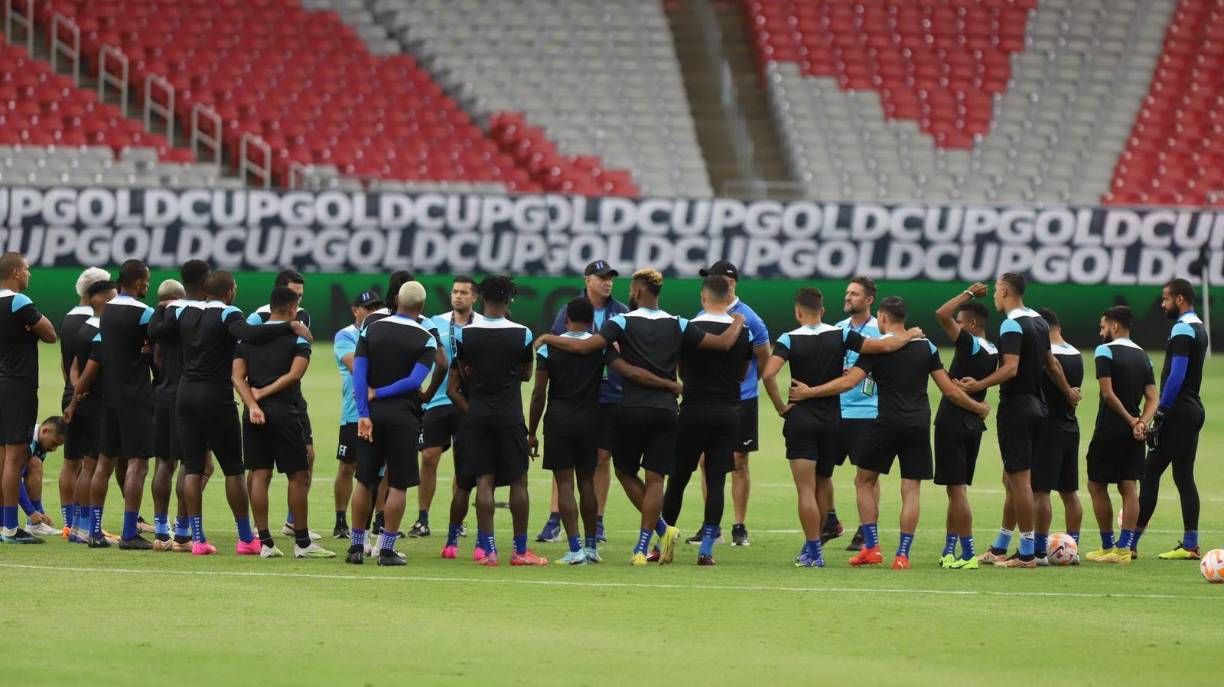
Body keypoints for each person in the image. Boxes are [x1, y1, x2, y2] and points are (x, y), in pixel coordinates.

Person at [536, 268, 746, 566]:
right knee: (656, 478)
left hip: (631, 409)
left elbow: (585, 347)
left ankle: (660, 530)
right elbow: (723, 344)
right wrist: (737, 320)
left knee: (623, 471)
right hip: (666, 411)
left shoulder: (620, 321)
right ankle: (642, 546)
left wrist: (548, 337)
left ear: (635, 293)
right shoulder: (678, 323)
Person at [795, 296, 989, 569]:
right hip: (918, 424)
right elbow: (949, 389)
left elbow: (849, 382)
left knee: (864, 481)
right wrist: (978, 407)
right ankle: (903, 555)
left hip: (885, 423)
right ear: (904, 318)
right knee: (910, 490)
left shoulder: (878, 348)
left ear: (883, 319)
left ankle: (872, 547)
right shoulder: (927, 346)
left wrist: (809, 393)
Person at [763, 288, 922, 567]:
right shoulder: (840, 334)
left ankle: (813, 551)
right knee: (826, 481)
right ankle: (830, 543)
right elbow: (883, 347)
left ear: (798, 312)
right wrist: (909, 334)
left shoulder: (788, 338)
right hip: (832, 420)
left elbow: (768, 374)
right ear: (822, 311)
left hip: (801, 418)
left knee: (807, 490)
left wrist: (780, 406)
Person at [156, 271, 308, 555]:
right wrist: (290, 327)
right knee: (233, 470)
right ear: (229, 292)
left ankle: (196, 539)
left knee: (192, 467)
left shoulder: (184, 312)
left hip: (185, 393)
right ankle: (245, 538)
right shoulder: (228, 313)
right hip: (216, 396)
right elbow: (249, 334)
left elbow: (155, 333)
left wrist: (160, 308)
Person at [956, 273, 1079, 568]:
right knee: (1011, 478)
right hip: (1039, 405)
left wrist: (977, 385)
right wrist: (1067, 392)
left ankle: (1026, 554)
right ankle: (1000, 546)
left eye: (997, 292)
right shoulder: (1038, 320)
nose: (995, 298)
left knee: (1021, 480)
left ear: (1005, 291)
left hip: (1017, 406)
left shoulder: (1012, 324)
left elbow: (1011, 369)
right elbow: (1051, 364)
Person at [447, 275, 548, 567]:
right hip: (510, 415)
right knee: (518, 480)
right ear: (508, 300)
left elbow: (463, 374)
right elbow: (527, 374)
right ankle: (519, 551)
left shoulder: (465, 334)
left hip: (477, 415)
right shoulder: (522, 333)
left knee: (484, 481)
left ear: (482, 298)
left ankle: (489, 551)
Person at [234, 286, 333, 559]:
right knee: (298, 475)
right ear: (292, 310)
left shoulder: (249, 337)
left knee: (259, 474)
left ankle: (265, 543)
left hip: (253, 414)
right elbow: (294, 375)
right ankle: (302, 542)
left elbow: (236, 376)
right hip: (284, 411)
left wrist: (253, 404)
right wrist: (265, 394)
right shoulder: (298, 336)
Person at [662, 276, 753, 564]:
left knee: (677, 479)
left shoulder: (689, 328)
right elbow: (742, 373)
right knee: (715, 482)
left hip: (693, 411)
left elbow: (682, 371)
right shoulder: (744, 331)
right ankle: (707, 551)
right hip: (727, 413)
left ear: (703, 298)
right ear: (728, 298)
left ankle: (664, 546)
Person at [536, 260, 627, 545]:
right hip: (579, 393)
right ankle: (555, 519)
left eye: (610, 278)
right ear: (587, 280)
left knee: (601, 459)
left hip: (610, 394)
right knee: (565, 462)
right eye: (602, 277)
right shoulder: (570, 309)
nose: (607, 282)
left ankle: (597, 521)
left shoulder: (621, 311)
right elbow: (561, 344)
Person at [67, 260, 156, 550]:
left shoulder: (108, 312)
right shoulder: (146, 313)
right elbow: (156, 348)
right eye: (147, 280)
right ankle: (130, 532)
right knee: (137, 465)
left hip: (110, 399)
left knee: (103, 464)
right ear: (140, 281)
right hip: (137, 398)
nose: (148, 285)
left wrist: (74, 400)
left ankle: (93, 531)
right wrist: (146, 350)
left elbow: (100, 357)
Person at [347, 281, 437, 566]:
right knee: (397, 484)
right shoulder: (427, 339)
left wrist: (364, 409)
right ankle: (386, 550)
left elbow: (359, 374)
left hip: (370, 415)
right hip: (403, 417)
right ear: (421, 307)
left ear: (396, 300)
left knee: (364, 480)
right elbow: (413, 381)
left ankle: (356, 547)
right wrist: (383, 392)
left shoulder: (371, 328)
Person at [685, 261, 770, 548]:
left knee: (739, 462)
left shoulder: (751, 319)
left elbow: (763, 360)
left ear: (730, 282)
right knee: (706, 462)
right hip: (712, 398)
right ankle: (712, 526)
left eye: (714, 278)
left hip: (741, 400)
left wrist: (747, 386)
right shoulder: (701, 315)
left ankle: (739, 524)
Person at [1137, 278, 1208, 560]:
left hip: (1178, 412)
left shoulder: (1182, 329)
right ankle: (1191, 544)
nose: (1163, 304)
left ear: (1180, 300)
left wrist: (1161, 413)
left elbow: (1177, 374)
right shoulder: (1198, 327)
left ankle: (1129, 542)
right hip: (1192, 410)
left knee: (1150, 471)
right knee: (1183, 476)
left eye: (1166, 299)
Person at [1083, 306, 1157, 565]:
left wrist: (1128, 421)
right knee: (1129, 488)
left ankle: (1106, 546)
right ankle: (1124, 548)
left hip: (1110, 428)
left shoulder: (1105, 351)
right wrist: (1141, 422)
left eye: (1103, 327)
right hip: (1135, 430)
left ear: (1115, 327)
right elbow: (1152, 397)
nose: (1101, 332)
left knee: (1096, 484)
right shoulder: (1144, 356)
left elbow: (1107, 394)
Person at [931, 285, 998, 569]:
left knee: (957, 491)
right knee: (954, 489)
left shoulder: (969, 342)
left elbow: (941, 313)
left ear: (971, 324)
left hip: (953, 420)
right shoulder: (993, 349)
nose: (955, 327)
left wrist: (968, 293)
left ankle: (968, 553)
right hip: (973, 425)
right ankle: (949, 550)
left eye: (960, 323)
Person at [248, 269, 317, 539]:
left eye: (301, 295)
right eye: (294, 295)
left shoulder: (303, 315)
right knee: (259, 468)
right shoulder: (257, 317)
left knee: (308, 456)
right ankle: (257, 526)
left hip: (292, 396)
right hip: (263, 396)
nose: (298, 302)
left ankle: (293, 522)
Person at [414, 276, 481, 539]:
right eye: (455, 291)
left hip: (468, 403)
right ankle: (422, 519)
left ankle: (458, 521)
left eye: (464, 292)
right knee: (429, 457)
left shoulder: (483, 325)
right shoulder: (434, 323)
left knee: (463, 464)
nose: (458, 296)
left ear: (474, 297)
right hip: (438, 400)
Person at [0, 252, 58, 543]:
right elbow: (50, 334)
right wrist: (31, 328)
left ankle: (4, 523)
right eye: (26, 269)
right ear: (14, 273)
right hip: (17, 386)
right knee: (15, 458)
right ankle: (10, 527)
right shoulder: (18, 302)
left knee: (2, 458)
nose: (29, 274)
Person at [62, 278, 118, 544]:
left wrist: (75, 394)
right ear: (101, 300)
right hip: (98, 404)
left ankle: (77, 527)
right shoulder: (102, 333)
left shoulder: (82, 330)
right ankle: (90, 529)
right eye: (114, 298)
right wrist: (80, 395)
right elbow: (89, 371)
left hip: (84, 401)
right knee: (95, 467)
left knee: (86, 466)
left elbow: (73, 367)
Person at [830, 276, 881, 551]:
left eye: (855, 294)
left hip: (868, 411)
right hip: (837, 410)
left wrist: (865, 375)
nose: (848, 297)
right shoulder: (838, 329)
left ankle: (866, 531)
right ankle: (831, 520)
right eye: (847, 293)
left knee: (867, 476)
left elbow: (890, 370)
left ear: (869, 300)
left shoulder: (879, 330)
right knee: (821, 470)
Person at [330, 290, 384, 539]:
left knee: (379, 470)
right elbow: (356, 366)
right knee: (347, 467)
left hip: (379, 411)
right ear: (355, 310)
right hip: (353, 413)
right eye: (367, 308)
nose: (371, 312)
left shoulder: (383, 334)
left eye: (375, 308)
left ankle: (377, 520)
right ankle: (341, 520)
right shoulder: (346, 335)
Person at [1034, 307, 1085, 563]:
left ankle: (1040, 551)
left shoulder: (1046, 355)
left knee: (1041, 491)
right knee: (1069, 491)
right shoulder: (1076, 353)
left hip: (1048, 427)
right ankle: (1073, 548)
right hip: (1071, 427)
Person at [149, 278, 186, 550]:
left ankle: (161, 529)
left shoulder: (155, 324)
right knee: (195, 465)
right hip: (185, 395)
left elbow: (155, 359)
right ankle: (184, 531)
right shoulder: (186, 320)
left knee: (164, 463)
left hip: (160, 394)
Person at [18, 418, 67, 535]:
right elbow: (13, 480)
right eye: (54, 443)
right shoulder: (26, 442)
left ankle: (35, 525)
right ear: (45, 431)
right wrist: (31, 512)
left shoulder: (40, 446)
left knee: (35, 464)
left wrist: (39, 513)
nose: (54, 449)